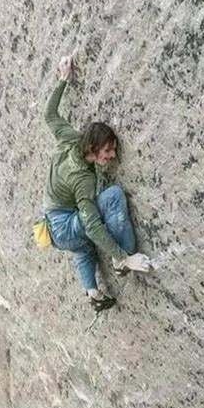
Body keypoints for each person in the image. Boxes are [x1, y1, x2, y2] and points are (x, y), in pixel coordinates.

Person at [43, 55, 151, 311]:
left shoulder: (71, 138)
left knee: (83, 248)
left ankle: (93, 292)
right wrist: (122, 257)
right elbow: (91, 224)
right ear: (92, 148)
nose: (112, 156)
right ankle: (123, 261)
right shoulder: (83, 179)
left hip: (53, 227)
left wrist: (63, 79)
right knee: (112, 196)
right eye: (107, 151)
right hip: (63, 225)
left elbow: (49, 115)